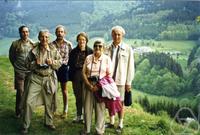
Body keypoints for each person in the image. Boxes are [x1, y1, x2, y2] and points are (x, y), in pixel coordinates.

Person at [21, 29, 62, 134]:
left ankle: (49, 122)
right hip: (35, 78)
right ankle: (25, 125)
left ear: (49, 38)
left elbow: (60, 62)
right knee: (28, 102)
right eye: (42, 37)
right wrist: (35, 63)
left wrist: (52, 62)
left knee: (49, 103)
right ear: (39, 38)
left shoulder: (53, 49)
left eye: (47, 37)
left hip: (48, 78)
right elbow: (26, 64)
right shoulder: (34, 50)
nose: (44, 39)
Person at [104, 25, 135, 133]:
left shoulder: (128, 49)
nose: (116, 36)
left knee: (120, 102)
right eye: (114, 34)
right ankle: (111, 121)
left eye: (119, 34)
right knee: (109, 101)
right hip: (108, 80)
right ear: (112, 35)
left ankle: (120, 123)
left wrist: (128, 82)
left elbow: (131, 66)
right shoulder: (107, 48)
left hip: (121, 81)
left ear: (122, 36)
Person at [81, 39, 111, 135]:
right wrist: (88, 85)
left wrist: (98, 86)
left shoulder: (107, 59)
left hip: (101, 87)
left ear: (103, 48)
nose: (97, 48)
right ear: (93, 47)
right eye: (95, 46)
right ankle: (87, 130)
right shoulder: (88, 58)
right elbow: (83, 73)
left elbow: (109, 75)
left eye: (100, 46)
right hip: (88, 85)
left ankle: (99, 131)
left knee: (100, 109)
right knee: (87, 108)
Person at [9, 25, 34, 118]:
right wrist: (15, 66)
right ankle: (18, 111)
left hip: (29, 71)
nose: (25, 34)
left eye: (27, 32)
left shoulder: (32, 43)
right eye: (23, 32)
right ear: (20, 33)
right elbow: (11, 56)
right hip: (19, 71)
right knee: (20, 91)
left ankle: (25, 110)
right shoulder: (15, 44)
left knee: (27, 91)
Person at [68, 32, 93, 123]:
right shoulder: (73, 52)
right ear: (77, 41)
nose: (81, 41)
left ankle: (86, 116)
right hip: (77, 75)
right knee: (78, 96)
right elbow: (70, 64)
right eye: (80, 39)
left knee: (86, 96)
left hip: (87, 75)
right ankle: (79, 115)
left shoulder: (90, 51)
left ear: (86, 40)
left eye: (83, 39)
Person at [52, 25, 72, 118]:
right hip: (54, 69)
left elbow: (71, 57)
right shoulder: (51, 44)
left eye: (61, 32)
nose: (60, 33)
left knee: (64, 90)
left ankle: (65, 110)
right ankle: (53, 109)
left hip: (64, 69)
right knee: (54, 90)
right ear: (55, 33)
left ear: (64, 33)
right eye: (58, 31)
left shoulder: (68, 44)